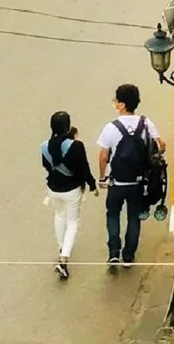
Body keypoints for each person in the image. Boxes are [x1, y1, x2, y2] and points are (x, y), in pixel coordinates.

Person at [97, 84, 158, 268]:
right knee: (134, 217)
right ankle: (129, 256)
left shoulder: (111, 127)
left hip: (117, 182)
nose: (115, 104)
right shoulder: (146, 123)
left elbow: (103, 156)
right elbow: (160, 145)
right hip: (138, 182)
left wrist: (102, 177)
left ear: (122, 104)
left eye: (116, 101)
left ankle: (114, 252)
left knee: (113, 214)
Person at [41, 110, 97, 280]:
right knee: (73, 222)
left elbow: (47, 167)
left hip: (53, 189)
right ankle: (64, 259)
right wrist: (92, 184)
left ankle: (61, 247)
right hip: (71, 190)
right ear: (67, 127)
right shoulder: (75, 146)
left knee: (59, 215)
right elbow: (84, 168)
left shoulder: (44, 147)